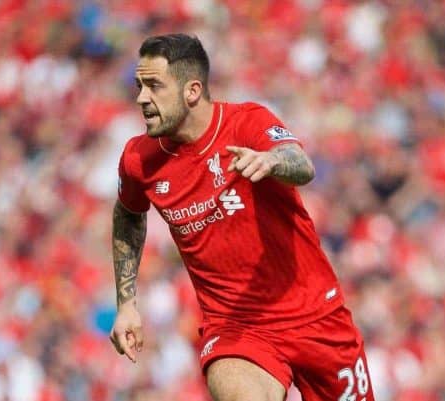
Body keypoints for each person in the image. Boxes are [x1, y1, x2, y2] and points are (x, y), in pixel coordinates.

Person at [109, 33, 375, 401]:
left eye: (154, 86)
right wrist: (126, 304)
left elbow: (302, 164)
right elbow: (128, 214)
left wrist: (271, 160)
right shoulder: (139, 160)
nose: (141, 98)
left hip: (316, 316)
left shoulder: (246, 123)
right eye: (139, 86)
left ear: (192, 90)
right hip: (237, 329)